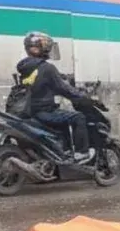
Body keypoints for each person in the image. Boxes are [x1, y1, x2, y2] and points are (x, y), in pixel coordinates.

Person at [18, 31, 95, 163]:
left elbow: (41, 85)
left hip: (30, 111)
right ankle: (81, 153)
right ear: (43, 48)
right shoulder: (47, 68)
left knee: (62, 121)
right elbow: (63, 88)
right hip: (44, 111)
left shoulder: (25, 68)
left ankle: (64, 151)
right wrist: (82, 96)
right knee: (78, 117)